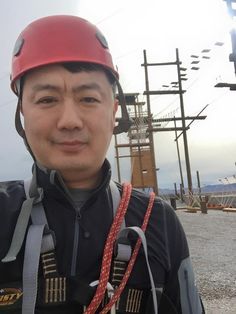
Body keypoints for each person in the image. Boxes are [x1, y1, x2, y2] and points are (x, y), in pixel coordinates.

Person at [0, 15, 204, 314]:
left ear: (114, 111)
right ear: (22, 113)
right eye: (46, 99)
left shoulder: (157, 221)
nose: (69, 120)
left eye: (89, 98)